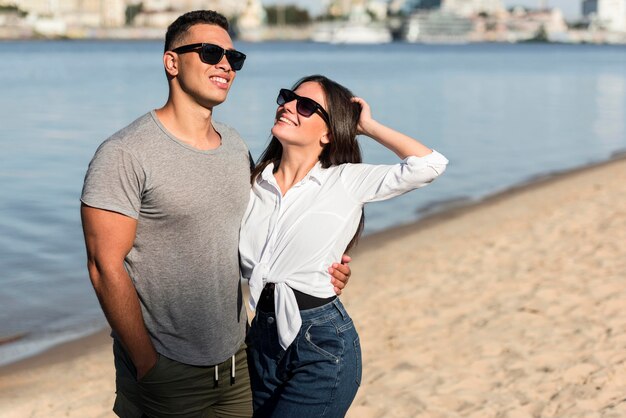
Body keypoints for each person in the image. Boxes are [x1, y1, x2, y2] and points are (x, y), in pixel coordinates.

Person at [80, 11, 351, 418]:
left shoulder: (234, 146)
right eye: (209, 52)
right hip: (167, 368)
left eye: (233, 57)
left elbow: (255, 234)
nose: (224, 64)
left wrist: (317, 267)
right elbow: (104, 266)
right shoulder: (124, 153)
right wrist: (147, 363)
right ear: (172, 62)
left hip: (237, 362)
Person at [239, 75, 449, 417]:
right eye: (287, 98)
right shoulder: (252, 183)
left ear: (328, 133)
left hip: (321, 343)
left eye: (306, 106)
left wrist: (367, 126)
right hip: (260, 339)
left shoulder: (346, 180)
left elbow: (430, 165)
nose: (288, 107)